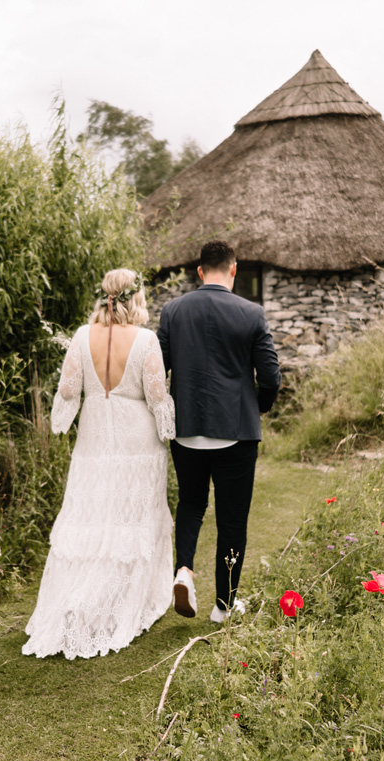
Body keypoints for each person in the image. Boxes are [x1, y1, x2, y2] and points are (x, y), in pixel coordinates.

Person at [22, 269, 176, 659]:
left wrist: (64, 416)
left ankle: (78, 599)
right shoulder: (146, 340)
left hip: (93, 440)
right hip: (137, 443)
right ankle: (117, 601)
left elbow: (69, 391)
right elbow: (158, 397)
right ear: (135, 299)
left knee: (92, 518)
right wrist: (168, 428)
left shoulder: (80, 336)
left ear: (103, 298)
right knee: (131, 520)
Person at [158, 241, 281, 623]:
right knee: (232, 518)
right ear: (233, 269)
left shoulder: (173, 311)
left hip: (187, 428)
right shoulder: (251, 313)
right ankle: (223, 607)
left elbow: (156, 370)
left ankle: (183, 572)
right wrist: (257, 406)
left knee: (191, 504)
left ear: (198, 272)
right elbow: (272, 376)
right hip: (236, 432)